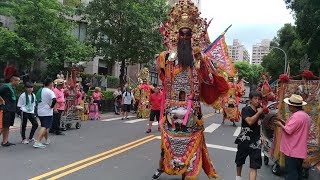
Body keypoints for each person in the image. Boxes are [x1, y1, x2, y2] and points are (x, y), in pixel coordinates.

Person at [152, 1, 229, 179]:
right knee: (167, 144)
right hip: (171, 110)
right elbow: (163, 78)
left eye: (188, 33)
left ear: (193, 35)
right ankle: (161, 166)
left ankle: (188, 174)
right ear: (176, 35)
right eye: (182, 33)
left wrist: (205, 61)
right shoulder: (166, 58)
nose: (185, 36)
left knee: (191, 145)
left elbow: (210, 81)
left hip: (192, 112)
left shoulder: (199, 59)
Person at [274, 94, 311, 180]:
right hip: (300, 150)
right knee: (298, 172)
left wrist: (279, 124)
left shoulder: (297, 116)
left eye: (289, 105)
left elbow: (288, 130)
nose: (288, 107)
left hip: (292, 150)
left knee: (291, 174)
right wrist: (282, 121)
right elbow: (294, 128)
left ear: (293, 106)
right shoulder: (306, 116)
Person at [234, 91, 263, 180]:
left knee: (254, 165)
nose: (257, 101)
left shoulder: (260, 110)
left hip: (256, 140)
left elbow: (260, 124)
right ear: (250, 100)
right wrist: (258, 113)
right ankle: (238, 177)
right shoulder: (245, 110)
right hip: (244, 139)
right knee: (240, 160)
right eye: (255, 98)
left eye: (259, 99)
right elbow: (249, 121)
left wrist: (262, 136)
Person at [33, 78, 56, 148]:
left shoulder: (40, 90)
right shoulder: (50, 91)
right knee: (45, 126)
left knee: (45, 126)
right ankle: (37, 141)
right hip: (47, 112)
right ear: (50, 84)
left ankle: (46, 140)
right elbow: (54, 100)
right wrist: (52, 106)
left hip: (40, 111)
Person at [0, 68, 20, 147]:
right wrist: (1, 99)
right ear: (12, 80)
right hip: (5, 110)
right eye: (18, 81)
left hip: (11, 110)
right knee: (2, 127)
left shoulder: (13, 88)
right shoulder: (5, 86)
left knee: (7, 126)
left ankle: (5, 142)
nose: (19, 82)